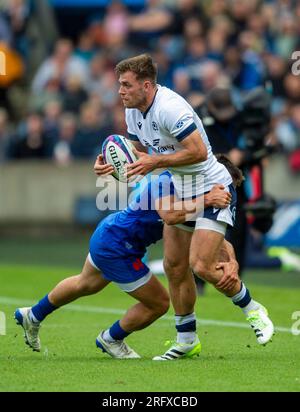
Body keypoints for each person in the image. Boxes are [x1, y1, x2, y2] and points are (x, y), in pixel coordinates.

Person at [95, 54, 274, 361]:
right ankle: (187, 340)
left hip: (212, 188)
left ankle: (253, 309)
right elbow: (140, 151)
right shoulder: (134, 113)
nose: (120, 91)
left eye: (126, 85)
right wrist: (111, 165)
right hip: (182, 189)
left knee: (201, 266)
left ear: (147, 85)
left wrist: (156, 160)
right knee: (174, 267)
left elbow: (199, 151)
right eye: (119, 85)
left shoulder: (170, 107)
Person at [14, 171, 232, 358]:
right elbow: (172, 216)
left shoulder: (184, 185)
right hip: (118, 247)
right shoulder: (168, 183)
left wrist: (231, 260)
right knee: (158, 303)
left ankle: (32, 315)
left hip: (111, 234)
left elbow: (211, 235)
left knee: (86, 283)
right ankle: (111, 339)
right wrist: (208, 200)